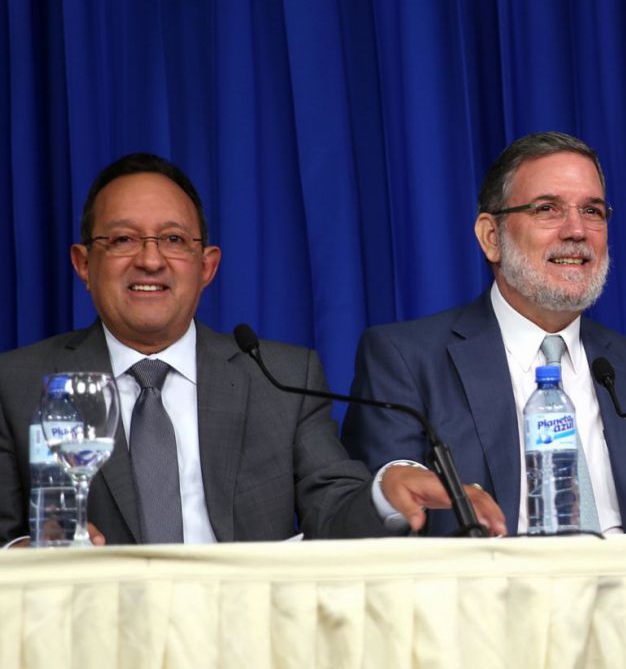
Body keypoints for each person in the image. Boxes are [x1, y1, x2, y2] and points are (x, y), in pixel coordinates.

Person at [0, 153, 505, 545]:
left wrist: (382, 494)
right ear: (84, 263)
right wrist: (22, 553)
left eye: (174, 239)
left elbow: (332, 512)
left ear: (207, 266)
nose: (150, 260)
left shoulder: (281, 377)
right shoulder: (17, 384)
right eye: (124, 240)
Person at [342, 132, 626, 535]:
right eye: (548, 208)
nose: (577, 231)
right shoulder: (406, 359)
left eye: (593, 211)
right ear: (491, 237)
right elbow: (370, 523)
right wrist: (389, 491)